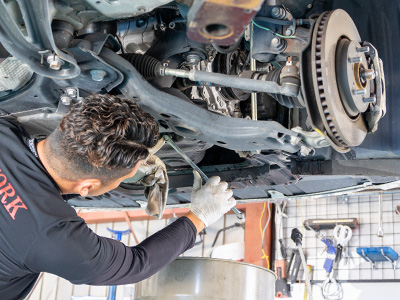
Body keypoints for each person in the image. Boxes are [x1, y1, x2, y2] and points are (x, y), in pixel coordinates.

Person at [0, 94, 236, 300]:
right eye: (124, 178)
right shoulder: (55, 238)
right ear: (87, 186)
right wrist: (200, 216)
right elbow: (137, 264)